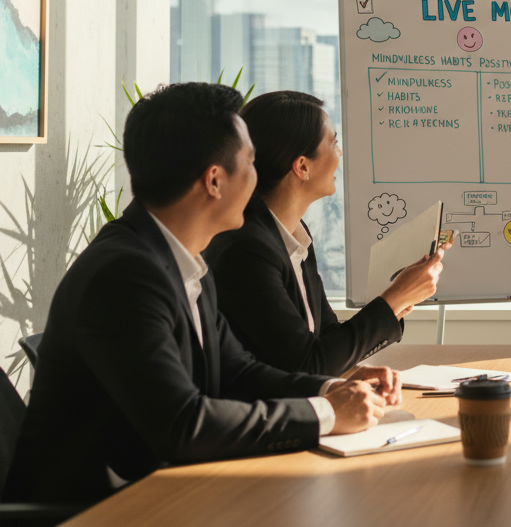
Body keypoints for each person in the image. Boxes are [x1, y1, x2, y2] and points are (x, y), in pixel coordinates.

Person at [5, 83, 397, 505]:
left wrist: (330, 388)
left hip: (166, 491)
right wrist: (327, 414)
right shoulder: (123, 275)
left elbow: (237, 371)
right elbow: (182, 424)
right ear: (214, 180)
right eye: (250, 161)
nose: (258, 174)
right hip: (99, 509)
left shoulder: (184, 257)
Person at [205, 91, 445, 375]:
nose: (339, 153)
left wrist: (398, 302)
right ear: (303, 166)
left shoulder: (293, 232)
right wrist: (393, 299)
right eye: (333, 142)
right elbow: (307, 363)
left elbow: (326, 335)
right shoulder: (247, 249)